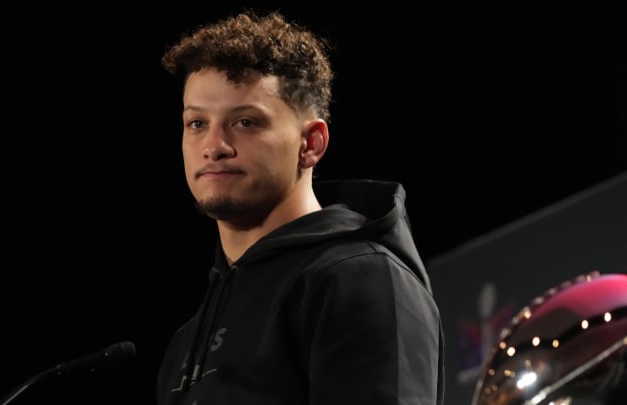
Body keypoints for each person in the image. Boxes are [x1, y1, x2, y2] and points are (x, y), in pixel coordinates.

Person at [156, 9, 445, 405]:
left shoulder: (361, 280)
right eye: (196, 124)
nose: (214, 146)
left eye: (245, 122)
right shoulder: (187, 340)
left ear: (311, 144)